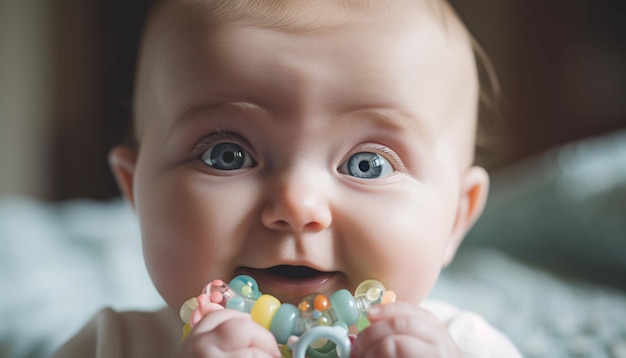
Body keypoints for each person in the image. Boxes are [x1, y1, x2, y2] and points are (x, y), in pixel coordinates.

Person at [55, 0, 521, 356]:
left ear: (456, 218)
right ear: (137, 193)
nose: (297, 205)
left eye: (368, 164)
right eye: (227, 155)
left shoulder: (463, 346)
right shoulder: (113, 344)